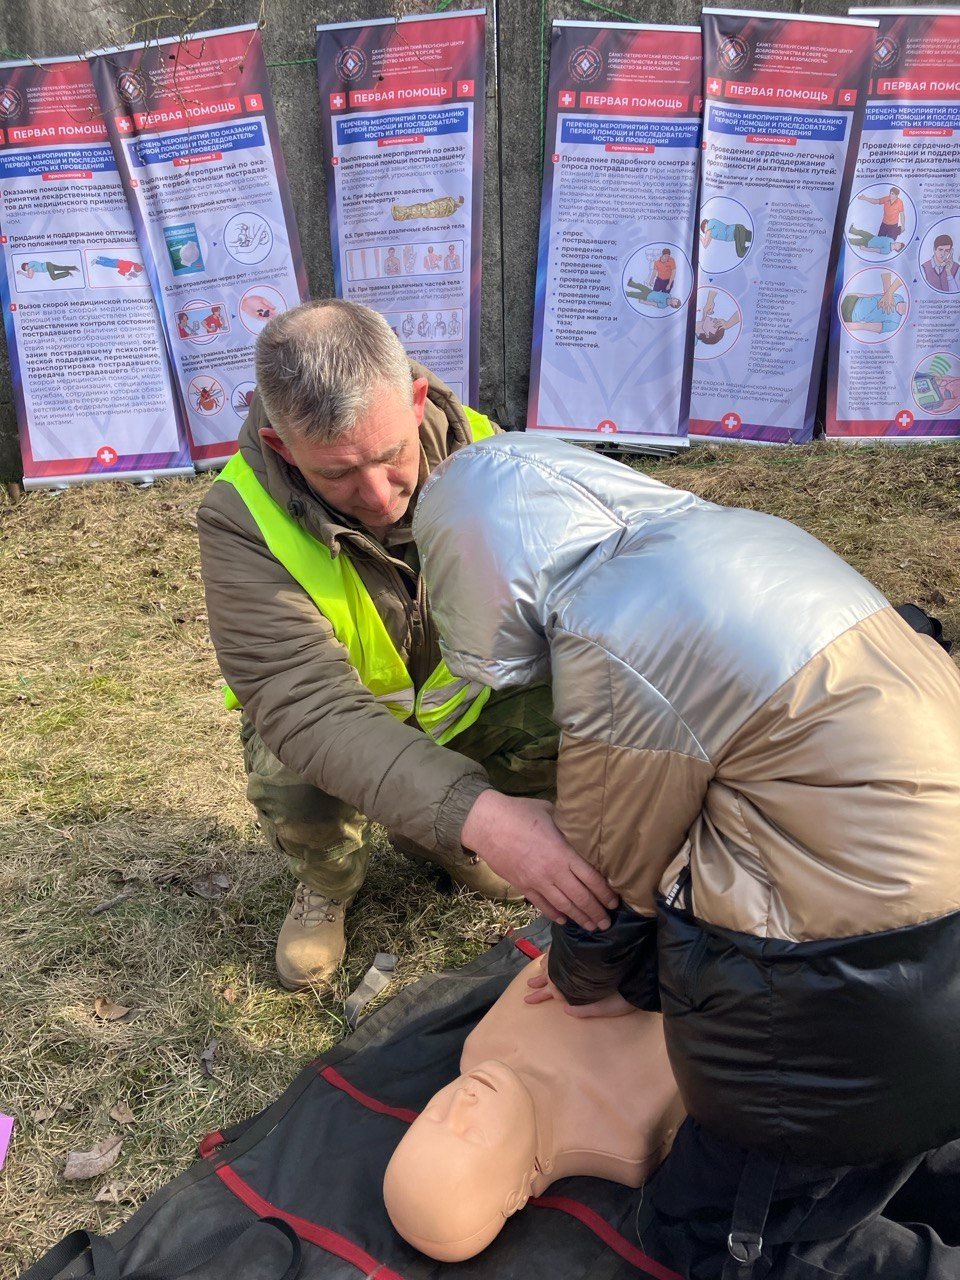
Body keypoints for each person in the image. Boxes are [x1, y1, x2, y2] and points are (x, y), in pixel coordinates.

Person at [413, 433, 960, 1279]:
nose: (459, 1115)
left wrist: (581, 979)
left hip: (864, 978)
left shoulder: (612, 632)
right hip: (922, 935)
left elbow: (604, 881)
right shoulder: (733, 539)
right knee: (901, 1143)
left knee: (708, 1234)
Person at [197, 302, 615, 992]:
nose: (377, 495)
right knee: (293, 779)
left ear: (417, 401)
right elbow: (307, 709)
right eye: (336, 473)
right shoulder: (241, 520)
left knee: (578, 703)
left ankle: (437, 833)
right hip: (334, 727)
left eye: (391, 455)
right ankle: (329, 880)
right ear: (282, 447)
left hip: (468, 704)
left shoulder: (491, 455)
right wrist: (488, 820)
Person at [384, 956, 684, 1262]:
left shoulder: (481, 1046)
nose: (463, 1099)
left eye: (434, 1116)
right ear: (516, 1196)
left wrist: (584, 949)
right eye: (473, 1134)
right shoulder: (628, 1122)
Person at [841, 271, 907, 335]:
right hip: (851, 299)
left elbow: (863, 326)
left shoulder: (894, 324)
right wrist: (849, 294)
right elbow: (871, 296)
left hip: (849, 315)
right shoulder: (899, 297)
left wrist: (841, 324)